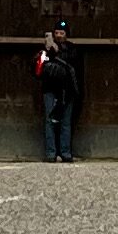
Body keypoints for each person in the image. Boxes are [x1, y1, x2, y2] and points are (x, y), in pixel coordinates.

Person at [33, 21, 84, 164]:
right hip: (50, 89)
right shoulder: (46, 50)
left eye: (62, 33)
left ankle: (65, 152)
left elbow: (75, 69)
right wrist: (46, 51)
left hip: (67, 90)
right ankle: (51, 153)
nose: (59, 35)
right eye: (57, 33)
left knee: (66, 122)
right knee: (50, 121)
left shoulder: (73, 50)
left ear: (66, 34)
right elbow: (38, 68)